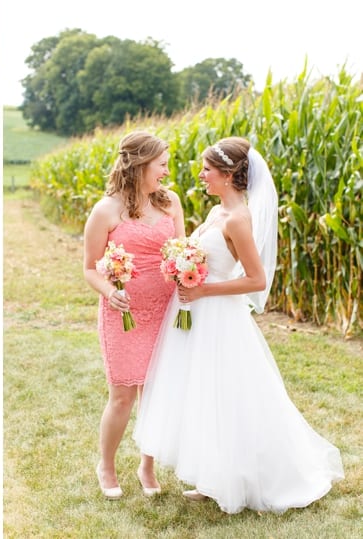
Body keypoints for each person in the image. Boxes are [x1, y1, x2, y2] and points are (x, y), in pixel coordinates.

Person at [133, 136, 344, 513]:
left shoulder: (238, 220)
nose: (201, 175)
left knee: (227, 395)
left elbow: (256, 280)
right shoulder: (216, 213)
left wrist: (203, 289)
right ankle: (213, 475)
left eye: (207, 170)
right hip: (195, 316)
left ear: (229, 176)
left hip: (219, 318)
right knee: (203, 394)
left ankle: (244, 477)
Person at [83, 132, 185, 499]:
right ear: (140, 164)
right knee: (123, 395)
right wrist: (111, 292)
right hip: (123, 315)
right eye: (161, 164)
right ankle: (106, 465)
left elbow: (180, 253)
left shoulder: (171, 202)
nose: (166, 171)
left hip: (164, 311)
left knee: (155, 394)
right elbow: (90, 268)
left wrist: (189, 276)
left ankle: (147, 465)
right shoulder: (106, 210)